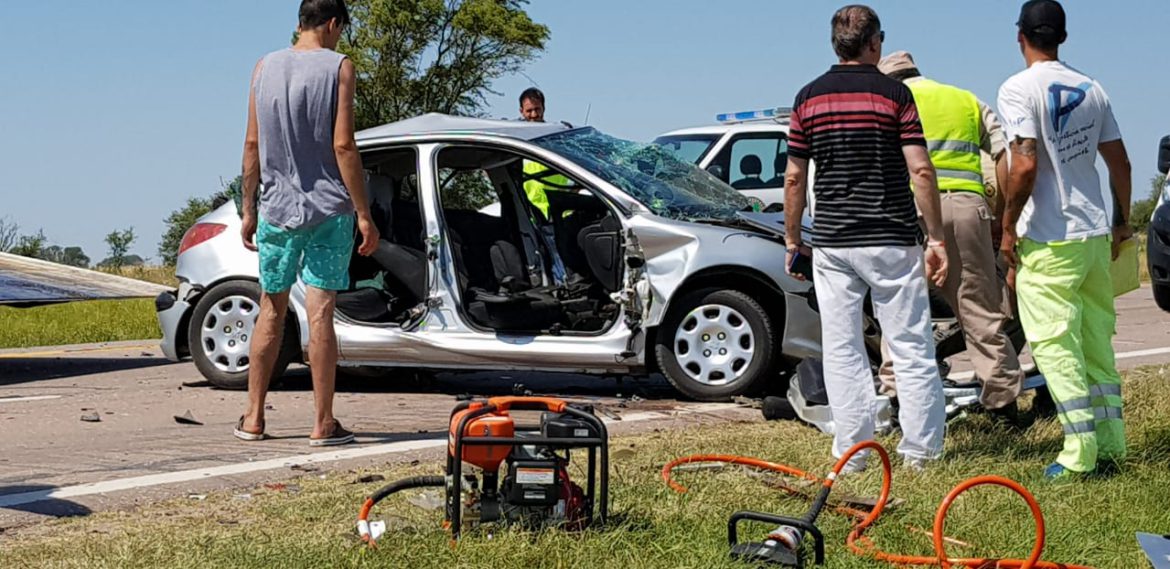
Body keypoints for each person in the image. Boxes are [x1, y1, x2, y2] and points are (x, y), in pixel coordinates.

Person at [784, 5, 949, 472]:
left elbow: (795, 178)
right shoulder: (895, 94)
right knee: (911, 344)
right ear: (874, 42)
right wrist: (935, 237)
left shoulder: (808, 98)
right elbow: (920, 167)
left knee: (842, 348)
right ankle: (921, 453)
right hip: (891, 238)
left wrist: (793, 240)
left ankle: (853, 452)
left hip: (834, 241)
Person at [997, 0, 1131, 480]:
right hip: (1094, 233)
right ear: (1063, 38)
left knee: (1055, 345)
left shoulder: (1017, 89)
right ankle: (1112, 444)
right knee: (1096, 340)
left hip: (1050, 238)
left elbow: (1025, 163)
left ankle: (1079, 454)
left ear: (1020, 37)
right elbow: (1121, 163)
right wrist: (1120, 223)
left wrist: (1009, 227)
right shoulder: (1092, 87)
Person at [234, 0, 379, 446]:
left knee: (270, 308)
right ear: (333, 23)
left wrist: (249, 207)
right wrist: (364, 212)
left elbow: (253, 143)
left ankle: (254, 417)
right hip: (328, 210)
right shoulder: (340, 67)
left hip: (277, 209)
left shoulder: (263, 67)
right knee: (320, 314)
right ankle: (323, 423)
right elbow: (343, 146)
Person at [876, 51, 1026, 421]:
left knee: (901, 308)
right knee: (977, 307)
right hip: (966, 209)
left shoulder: (888, 102)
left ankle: (898, 401)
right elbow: (1003, 153)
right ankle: (1002, 404)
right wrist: (1002, 215)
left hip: (908, 211)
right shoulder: (964, 99)